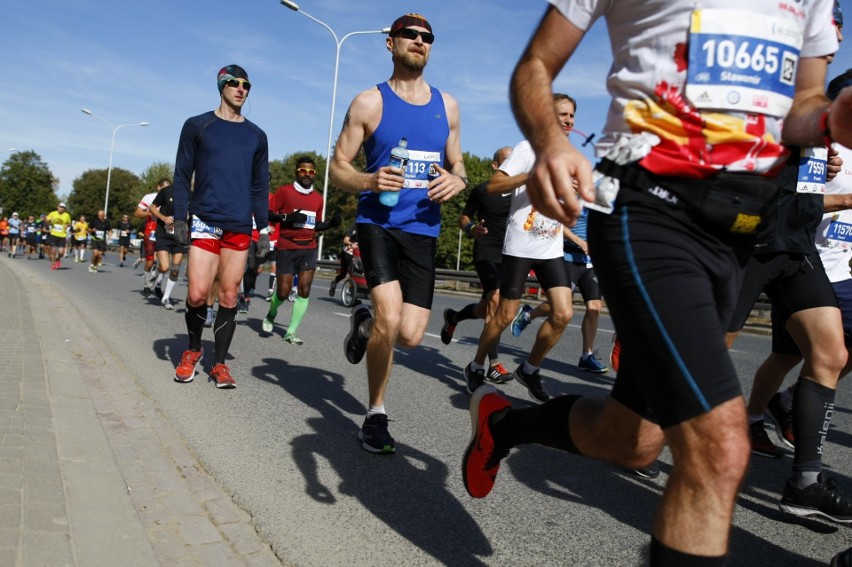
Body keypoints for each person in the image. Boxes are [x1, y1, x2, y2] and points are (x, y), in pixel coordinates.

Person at [462, 2, 844, 565]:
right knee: (720, 449)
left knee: (633, 441)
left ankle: (503, 422)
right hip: (650, 207)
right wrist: (551, 141)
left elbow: (805, 102)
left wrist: (832, 118)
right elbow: (536, 64)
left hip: (741, 233)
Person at [330, 13, 467, 453]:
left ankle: (363, 323)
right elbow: (337, 168)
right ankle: (375, 414)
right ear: (390, 43)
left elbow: (458, 162)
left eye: (427, 37)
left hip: (424, 229)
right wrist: (369, 181)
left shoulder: (448, 105)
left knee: (408, 335)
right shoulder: (369, 102)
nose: (419, 41)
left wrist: (458, 180)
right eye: (410, 35)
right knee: (391, 318)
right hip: (379, 226)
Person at [462, 95, 576, 404]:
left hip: (550, 245)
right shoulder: (528, 148)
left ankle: (530, 369)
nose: (567, 120)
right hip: (521, 244)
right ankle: (476, 366)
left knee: (564, 312)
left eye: (571, 116)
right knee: (504, 316)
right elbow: (494, 185)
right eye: (561, 114)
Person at [171, 64, 269, 389]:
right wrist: (180, 217)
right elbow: (182, 175)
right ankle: (193, 349)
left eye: (246, 85)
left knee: (229, 295)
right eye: (234, 83)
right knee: (198, 293)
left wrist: (264, 230)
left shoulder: (256, 135)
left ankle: (220, 364)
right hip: (205, 220)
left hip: (239, 224)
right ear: (221, 86)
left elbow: (260, 186)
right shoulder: (198, 125)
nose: (241, 89)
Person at [440, 146, 514, 384]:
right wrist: (473, 229)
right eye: (507, 160)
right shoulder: (483, 190)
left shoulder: (520, 192)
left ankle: (453, 318)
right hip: (486, 252)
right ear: (495, 165)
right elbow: (463, 217)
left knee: (486, 310)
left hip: (510, 256)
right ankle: (492, 364)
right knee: (495, 303)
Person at [262, 157, 340, 344]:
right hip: (287, 247)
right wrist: (287, 217)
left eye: (311, 172)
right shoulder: (285, 192)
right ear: (296, 172)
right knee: (283, 292)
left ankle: (291, 331)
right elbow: (267, 213)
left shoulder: (318, 198)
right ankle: (271, 314)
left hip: (309, 248)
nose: (307, 175)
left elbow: (316, 225)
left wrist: (329, 224)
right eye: (303, 171)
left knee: (304, 289)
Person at [149, 180, 189, 309]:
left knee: (175, 269)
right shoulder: (166, 191)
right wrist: (163, 218)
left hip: (180, 236)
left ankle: (165, 298)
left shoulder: (191, 194)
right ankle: (156, 273)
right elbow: (152, 207)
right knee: (165, 267)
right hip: (163, 234)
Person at [135, 179, 170, 297]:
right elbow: (137, 213)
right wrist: (151, 213)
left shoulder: (171, 199)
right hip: (151, 232)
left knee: (163, 263)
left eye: (168, 188)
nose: (166, 191)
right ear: (158, 187)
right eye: (164, 188)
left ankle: (158, 286)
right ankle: (146, 284)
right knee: (150, 262)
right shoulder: (149, 197)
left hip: (165, 233)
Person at [329, 224, 359, 297]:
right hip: (348, 252)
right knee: (344, 274)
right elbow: (345, 240)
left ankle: (354, 291)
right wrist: (352, 244)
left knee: (358, 272)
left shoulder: (368, 230)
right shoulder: (354, 227)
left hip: (358, 254)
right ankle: (334, 283)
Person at [45, 202, 71, 270]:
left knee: (61, 252)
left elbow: (69, 223)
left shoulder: (67, 215)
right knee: (53, 251)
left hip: (62, 235)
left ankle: (58, 259)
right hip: (54, 234)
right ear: (57, 207)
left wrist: (67, 225)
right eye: (60, 207)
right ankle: (53, 264)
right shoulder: (53, 213)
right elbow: (46, 221)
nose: (61, 209)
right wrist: (49, 220)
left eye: (63, 208)